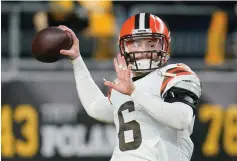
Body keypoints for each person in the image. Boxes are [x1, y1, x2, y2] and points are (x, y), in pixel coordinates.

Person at [58, 13, 202, 161]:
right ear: (123, 47)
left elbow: (181, 119)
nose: (143, 50)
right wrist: (77, 60)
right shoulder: (124, 83)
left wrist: (134, 92)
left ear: (166, 45)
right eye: (136, 44)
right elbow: (95, 107)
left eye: (151, 44)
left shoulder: (174, 74)